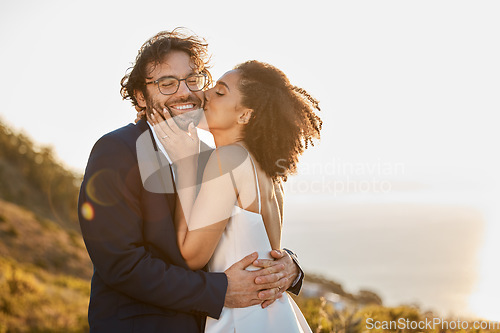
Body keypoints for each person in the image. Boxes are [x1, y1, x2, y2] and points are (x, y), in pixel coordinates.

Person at [78, 29, 303, 333]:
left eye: (193, 79)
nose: (185, 92)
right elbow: (123, 266)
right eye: (167, 83)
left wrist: (289, 267)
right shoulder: (117, 151)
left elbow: (249, 234)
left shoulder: (216, 156)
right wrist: (219, 290)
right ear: (142, 97)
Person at [147, 60, 321, 332]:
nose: (205, 95)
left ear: (245, 115)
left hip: (243, 319)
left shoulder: (228, 159)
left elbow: (191, 257)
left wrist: (186, 164)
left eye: (220, 92)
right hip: (274, 315)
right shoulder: (267, 172)